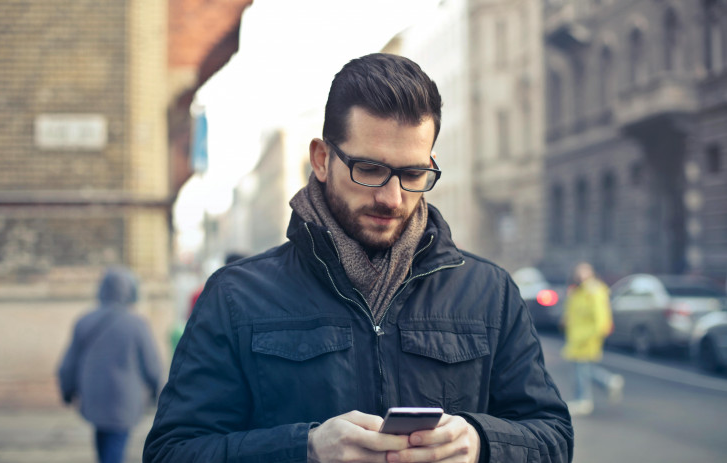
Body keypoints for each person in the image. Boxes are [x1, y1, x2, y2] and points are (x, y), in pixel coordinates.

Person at [143, 53, 572, 462]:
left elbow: (553, 437)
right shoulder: (235, 295)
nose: (392, 197)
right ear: (322, 159)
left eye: (412, 174)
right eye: (369, 169)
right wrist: (305, 450)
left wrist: (481, 444)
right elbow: (171, 452)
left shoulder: (490, 292)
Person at [58, 266, 163, 463]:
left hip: (94, 396)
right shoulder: (137, 324)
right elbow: (152, 364)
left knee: (103, 439)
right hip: (124, 399)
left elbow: (68, 363)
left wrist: (67, 389)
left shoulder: (85, 321)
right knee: (115, 446)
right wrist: (158, 391)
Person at [561, 262, 624, 416]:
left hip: (587, 337)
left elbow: (601, 319)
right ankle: (609, 381)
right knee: (582, 369)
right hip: (576, 336)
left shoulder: (594, 291)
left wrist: (593, 334)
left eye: (584, 272)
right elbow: (572, 312)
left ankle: (583, 399)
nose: (581, 275)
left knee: (580, 370)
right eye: (579, 272)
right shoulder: (578, 291)